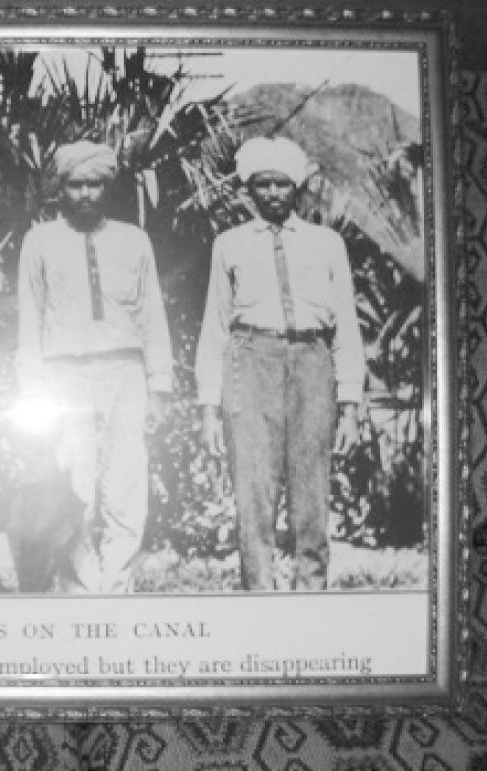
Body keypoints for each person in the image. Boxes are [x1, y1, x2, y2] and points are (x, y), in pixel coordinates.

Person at [195, 136, 366, 591]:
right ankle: (260, 592)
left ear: (296, 188)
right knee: (254, 488)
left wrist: (350, 405)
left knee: (312, 487)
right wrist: (209, 408)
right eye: (262, 185)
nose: (272, 194)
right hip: (250, 361)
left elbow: (346, 326)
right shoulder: (229, 244)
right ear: (249, 190)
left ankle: (311, 590)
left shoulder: (326, 244)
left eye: (281, 185)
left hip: (313, 361)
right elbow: (215, 327)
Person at [15, 140, 174, 594]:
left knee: (125, 487)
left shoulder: (133, 239)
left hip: (125, 373)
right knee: (74, 488)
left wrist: (159, 388)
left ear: (107, 187)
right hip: (65, 377)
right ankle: (80, 588)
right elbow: (30, 322)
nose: (85, 194)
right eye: (75, 184)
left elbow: (152, 317)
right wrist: (33, 394)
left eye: (94, 185)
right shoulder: (39, 241)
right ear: (61, 188)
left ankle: (117, 586)